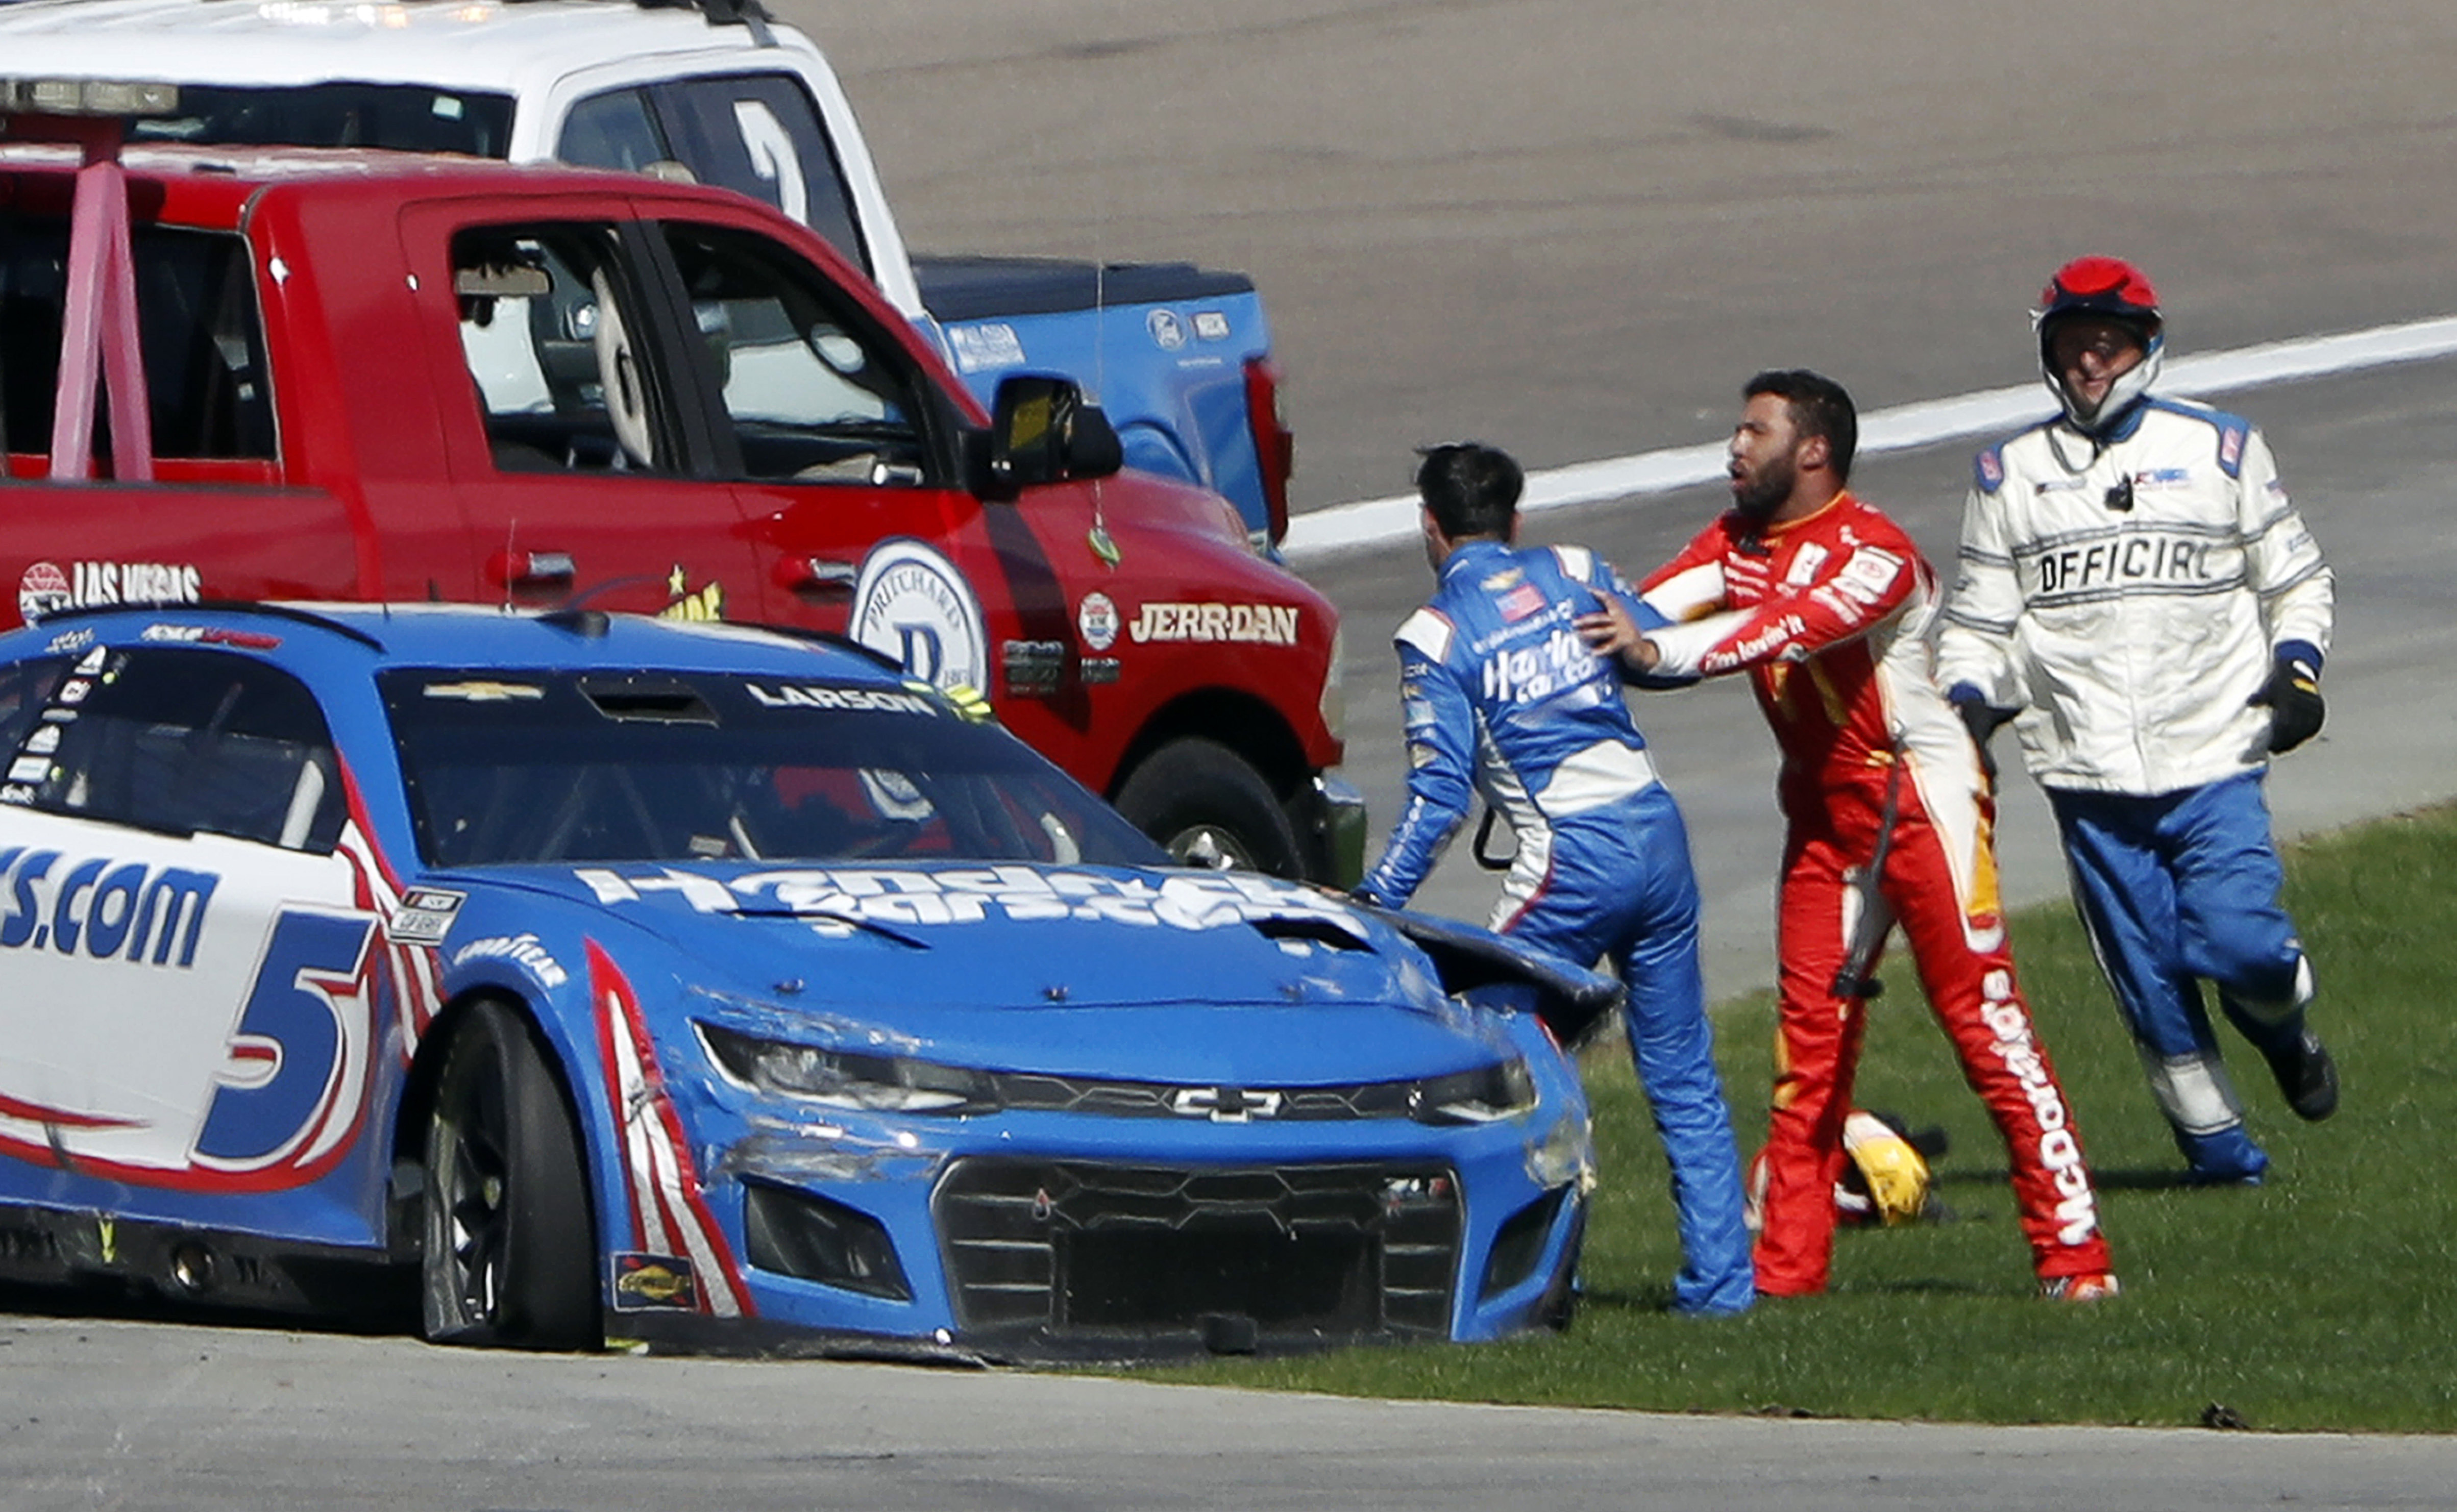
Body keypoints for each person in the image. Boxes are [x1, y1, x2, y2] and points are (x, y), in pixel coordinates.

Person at [1581, 370, 2117, 1301]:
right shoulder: (1735, 541)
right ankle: (1787, 1271)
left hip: (1922, 808)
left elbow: (1781, 630)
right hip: (1823, 821)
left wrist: (1652, 648)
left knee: (1987, 1028)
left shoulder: (1877, 554)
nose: (1734, 447)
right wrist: (1558, 613)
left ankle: (2075, 1259)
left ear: (1814, 450)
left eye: (1755, 431)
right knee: (1807, 1049)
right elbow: (1645, 611)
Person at [1936, 256, 2338, 1186]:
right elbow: (1978, 622)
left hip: (2215, 758)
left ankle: (2282, 1030)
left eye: (2107, 345)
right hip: (2085, 781)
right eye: (2072, 345)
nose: (2089, 363)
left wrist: (2297, 670)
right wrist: (1967, 700)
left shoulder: (2223, 448)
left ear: (2145, 348)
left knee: (2242, 947)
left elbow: (2296, 579)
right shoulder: (2006, 474)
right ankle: (2223, 1164)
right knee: (2151, 985)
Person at [1353, 442, 1755, 1317]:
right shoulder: (1574, 569)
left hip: (1569, 860)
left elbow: (1438, 799)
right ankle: (1722, 1289)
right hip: (1656, 832)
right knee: (1681, 1069)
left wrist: (1374, 903)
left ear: (1429, 528)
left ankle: (1528, 1284)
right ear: (1515, 519)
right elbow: (1655, 651)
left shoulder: (1435, 634)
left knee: (1498, 1059)